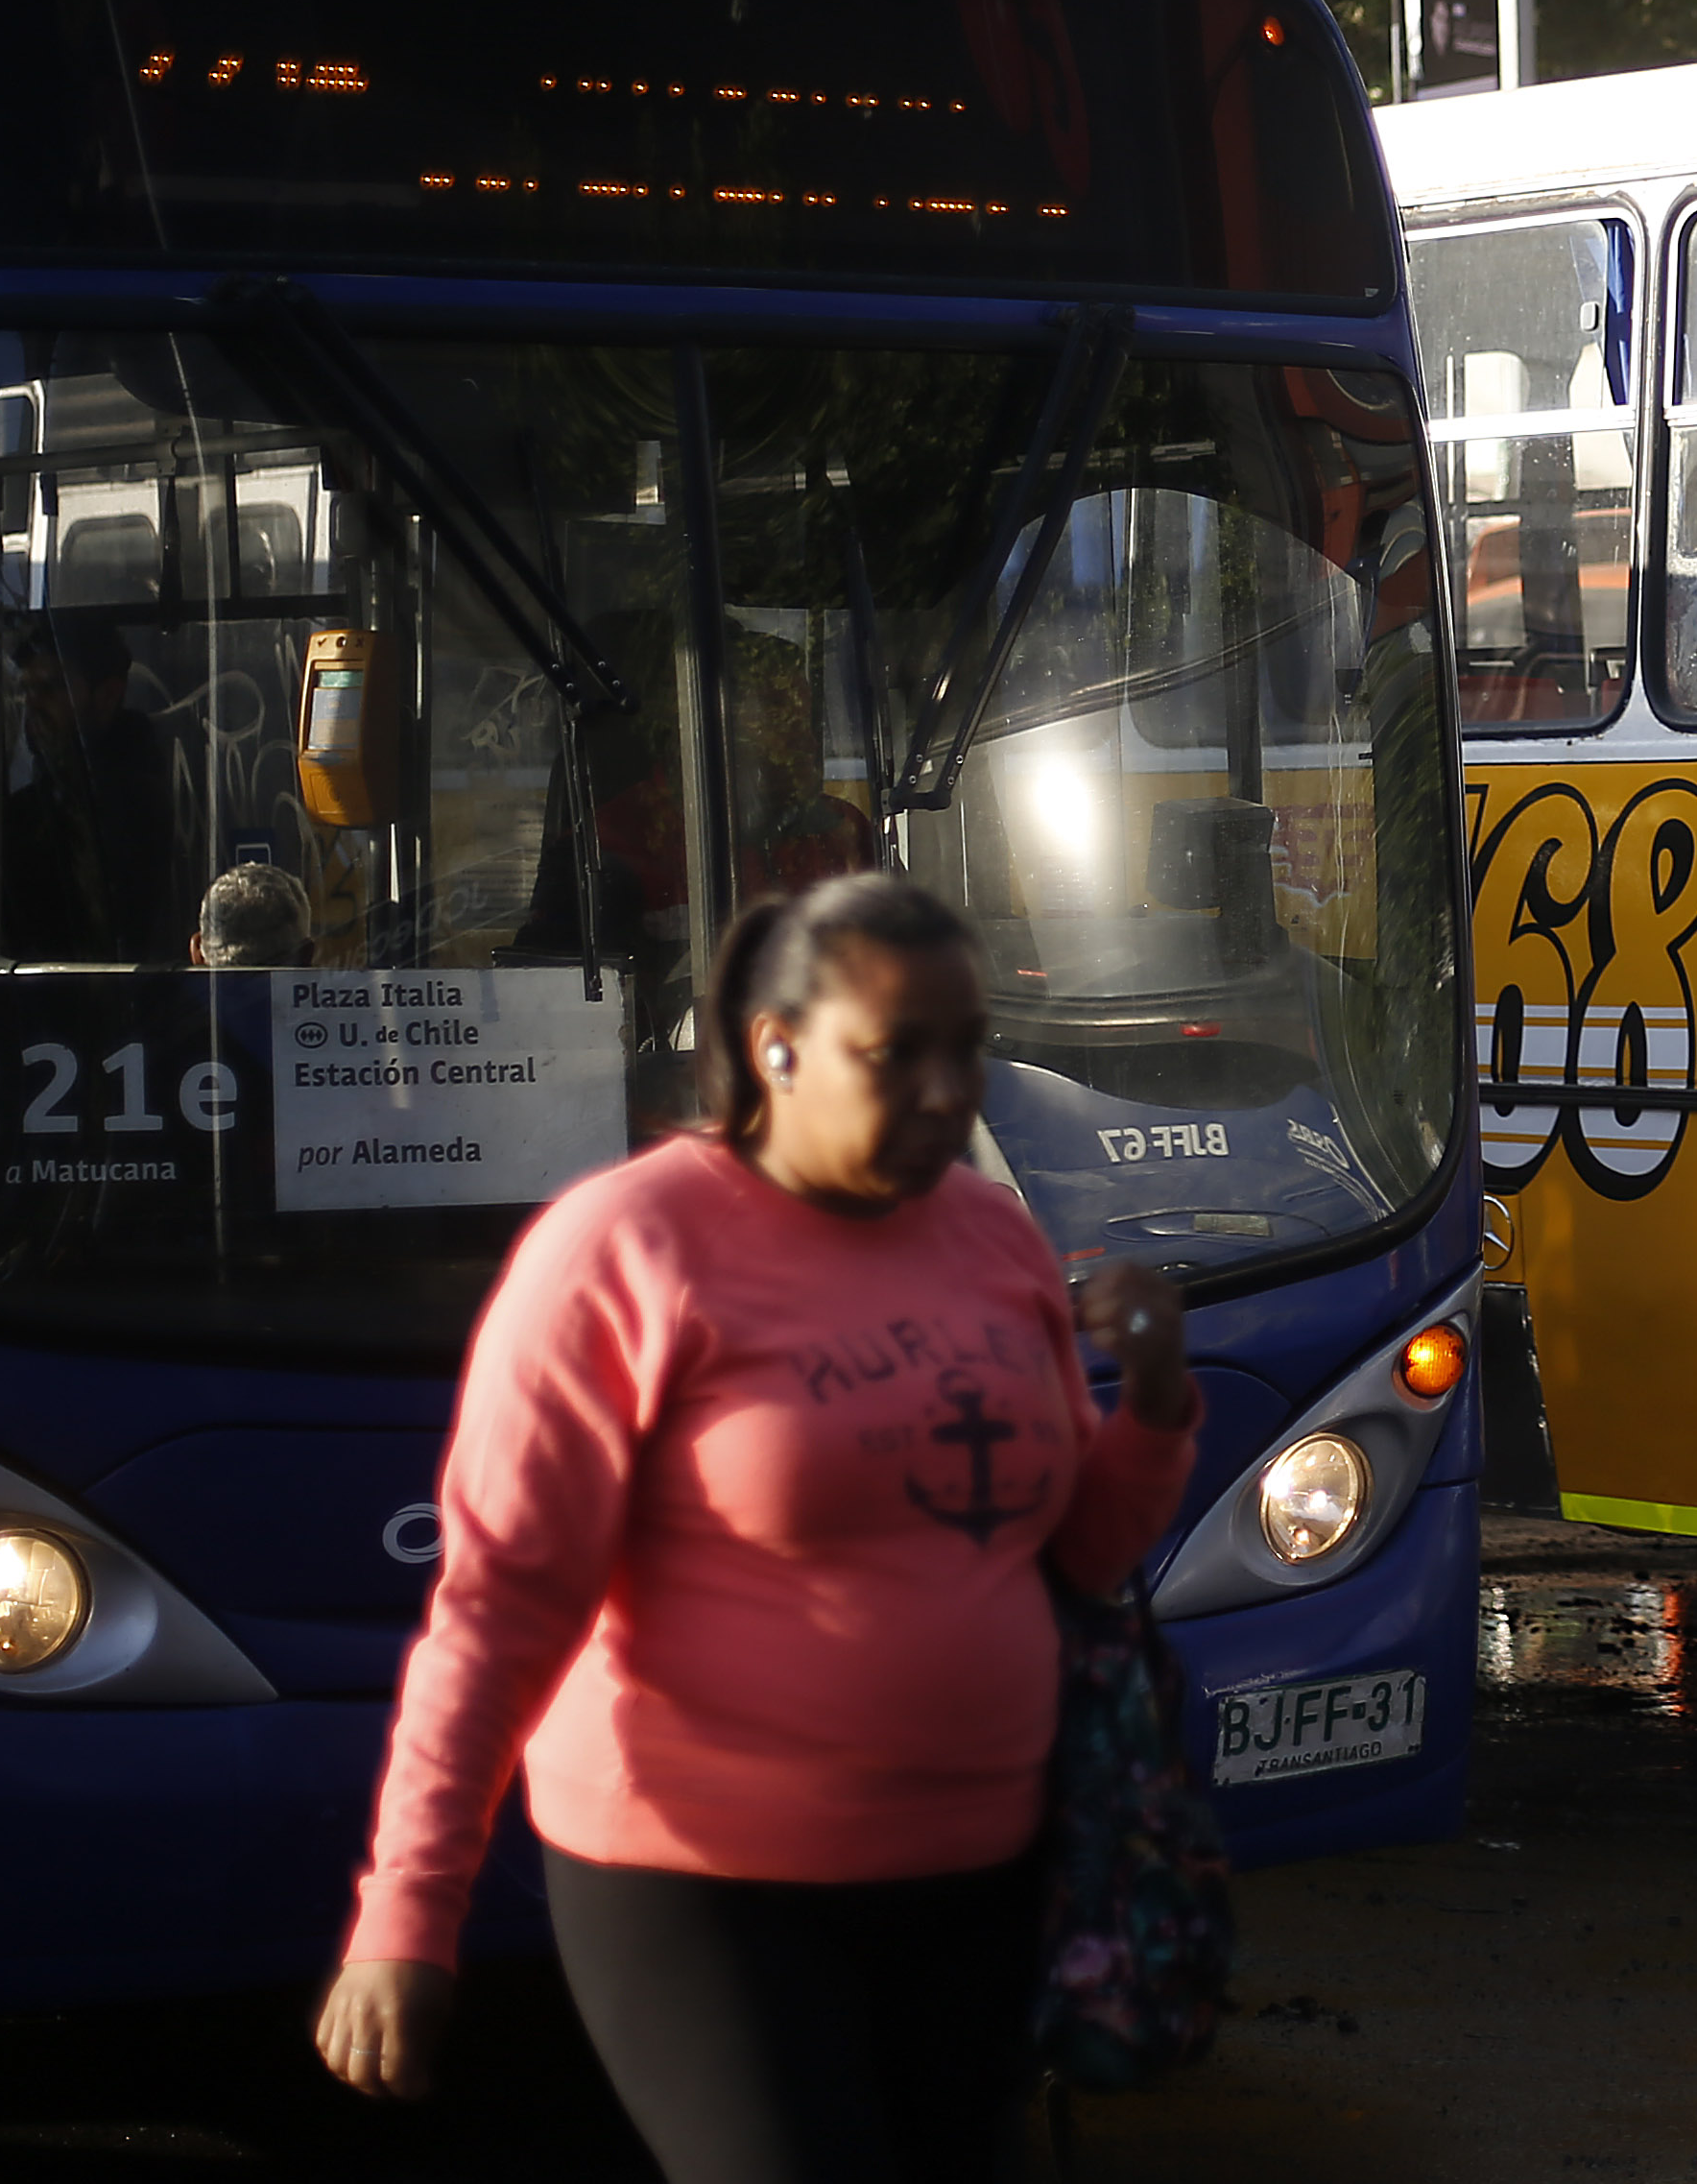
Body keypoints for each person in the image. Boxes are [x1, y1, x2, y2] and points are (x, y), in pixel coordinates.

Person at [313, 869, 1201, 2178]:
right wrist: (408, 1909)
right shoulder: (624, 1249)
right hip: (703, 1886)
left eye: (969, 1051)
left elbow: (1078, 1550)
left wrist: (1161, 1401)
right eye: (898, 1055)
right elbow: (499, 1605)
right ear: (773, 1049)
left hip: (982, 1870)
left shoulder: (992, 1238)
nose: (950, 1095)